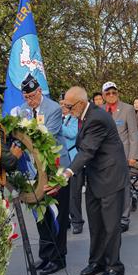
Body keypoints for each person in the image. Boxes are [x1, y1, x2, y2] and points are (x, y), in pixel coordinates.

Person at [55, 86, 128, 275]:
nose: (67, 110)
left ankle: (114, 266)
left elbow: (87, 150)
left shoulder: (97, 118)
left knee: (111, 226)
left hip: (110, 177)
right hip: (96, 176)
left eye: (69, 106)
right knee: (96, 224)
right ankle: (96, 262)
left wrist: (68, 172)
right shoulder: (84, 116)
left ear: (79, 104)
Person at [17, 74, 70, 275]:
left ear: (39, 92)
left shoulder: (54, 108)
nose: (28, 101)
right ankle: (46, 254)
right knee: (41, 214)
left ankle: (59, 257)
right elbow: (21, 137)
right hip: (35, 169)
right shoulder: (23, 110)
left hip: (56, 168)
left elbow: (46, 135)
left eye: (31, 96)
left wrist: (24, 134)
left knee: (58, 214)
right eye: (25, 97)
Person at [102, 81, 138, 233]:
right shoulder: (99, 110)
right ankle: (111, 217)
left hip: (123, 155)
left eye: (114, 92)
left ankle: (124, 218)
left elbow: (133, 134)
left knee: (124, 188)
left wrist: (133, 156)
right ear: (103, 95)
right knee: (108, 188)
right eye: (108, 93)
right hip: (105, 157)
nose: (111, 95)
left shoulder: (128, 109)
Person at [61, 99, 82, 234]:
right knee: (62, 193)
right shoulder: (60, 119)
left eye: (64, 105)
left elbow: (72, 133)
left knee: (74, 194)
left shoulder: (74, 119)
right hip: (62, 161)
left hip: (74, 160)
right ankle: (65, 220)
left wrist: (58, 125)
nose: (61, 107)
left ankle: (77, 222)